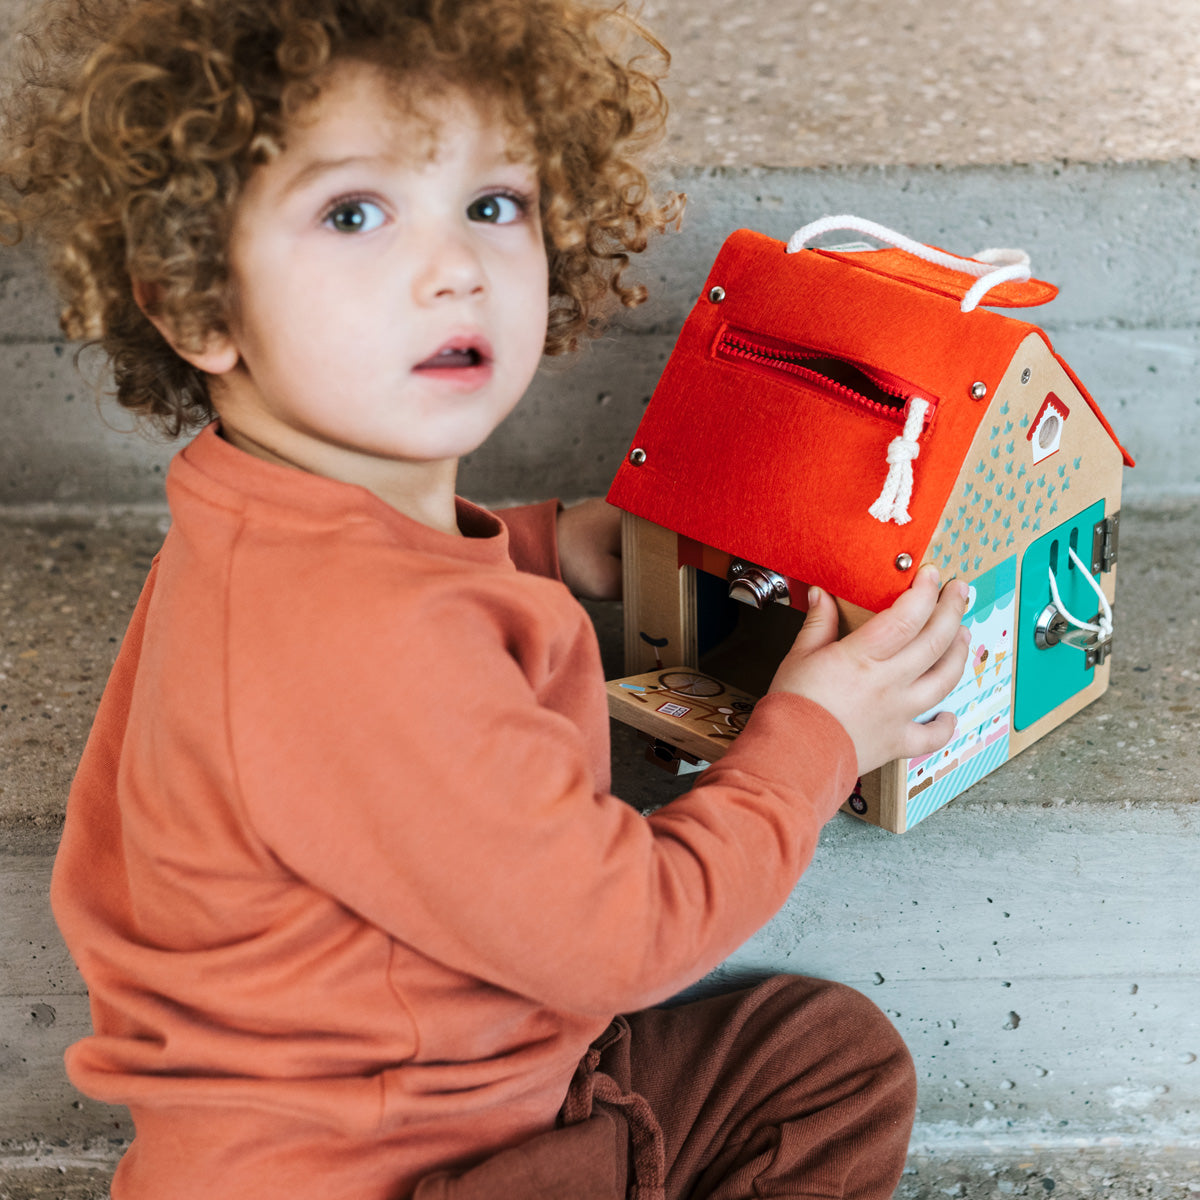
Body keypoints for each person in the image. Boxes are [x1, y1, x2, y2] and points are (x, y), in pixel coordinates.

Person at [0, 0, 970, 1196]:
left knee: (817, 1062)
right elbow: (629, 937)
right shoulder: (364, 647)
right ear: (197, 302)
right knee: (823, 1087)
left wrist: (551, 544)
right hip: (404, 1170)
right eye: (355, 213)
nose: (453, 266)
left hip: (402, 1098)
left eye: (493, 205)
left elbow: (394, 583)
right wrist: (816, 741)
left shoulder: (261, 518)